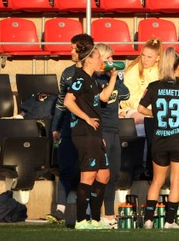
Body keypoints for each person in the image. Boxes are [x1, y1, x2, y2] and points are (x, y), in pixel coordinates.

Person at [137, 47, 179, 229]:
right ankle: (169, 221)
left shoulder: (154, 86)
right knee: (176, 181)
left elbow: (140, 108)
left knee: (157, 181)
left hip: (160, 140)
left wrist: (157, 115)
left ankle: (148, 220)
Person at [63, 36, 118, 230]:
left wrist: (112, 78)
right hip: (84, 133)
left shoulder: (91, 78)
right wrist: (85, 117)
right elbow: (68, 101)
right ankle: (81, 220)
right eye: (97, 58)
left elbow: (102, 97)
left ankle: (95, 219)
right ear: (89, 59)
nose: (100, 61)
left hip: (95, 134)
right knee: (88, 177)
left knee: (104, 176)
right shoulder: (79, 78)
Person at [47, 33, 91, 224]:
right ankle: (60, 210)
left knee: (88, 171)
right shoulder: (67, 73)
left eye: (74, 48)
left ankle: (89, 210)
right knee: (64, 168)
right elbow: (60, 103)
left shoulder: (95, 73)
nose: (71, 51)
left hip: (88, 129)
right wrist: (55, 126)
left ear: (84, 51)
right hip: (68, 128)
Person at [94, 43, 130, 228]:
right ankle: (94, 213)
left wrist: (115, 77)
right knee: (101, 175)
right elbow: (104, 98)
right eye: (108, 58)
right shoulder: (94, 80)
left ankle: (109, 214)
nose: (111, 62)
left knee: (114, 174)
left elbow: (126, 94)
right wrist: (112, 79)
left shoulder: (114, 78)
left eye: (112, 59)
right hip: (102, 130)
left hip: (115, 131)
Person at [122, 38, 163, 130]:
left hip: (156, 110)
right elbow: (128, 97)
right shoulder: (133, 70)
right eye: (143, 55)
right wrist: (147, 109)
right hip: (135, 108)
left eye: (149, 57)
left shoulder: (163, 72)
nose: (145, 60)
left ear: (158, 58)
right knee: (141, 122)